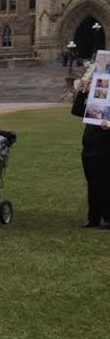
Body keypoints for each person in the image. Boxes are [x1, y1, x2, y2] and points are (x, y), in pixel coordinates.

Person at [71, 68, 110, 228]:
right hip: (89, 148)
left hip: (106, 147)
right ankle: (93, 217)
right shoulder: (98, 100)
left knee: (106, 183)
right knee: (92, 183)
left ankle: (108, 218)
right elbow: (77, 110)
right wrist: (83, 92)